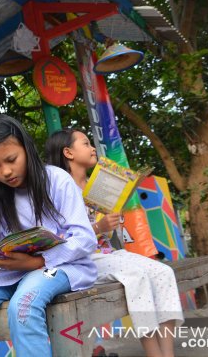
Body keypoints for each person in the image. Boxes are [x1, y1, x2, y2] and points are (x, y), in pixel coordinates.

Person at [0, 115, 97, 356]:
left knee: (23, 304)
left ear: (26, 148)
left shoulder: (57, 180)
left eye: (12, 159)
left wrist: (39, 261)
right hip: (11, 272)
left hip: (60, 267)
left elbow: (85, 238)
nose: (5, 171)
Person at [45, 128, 184, 357]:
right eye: (86, 143)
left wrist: (109, 225)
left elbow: (104, 239)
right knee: (136, 275)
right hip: (81, 261)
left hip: (108, 254)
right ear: (68, 152)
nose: (92, 148)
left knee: (163, 272)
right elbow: (58, 238)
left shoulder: (94, 185)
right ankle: (154, 354)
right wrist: (99, 227)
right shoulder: (56, 189)